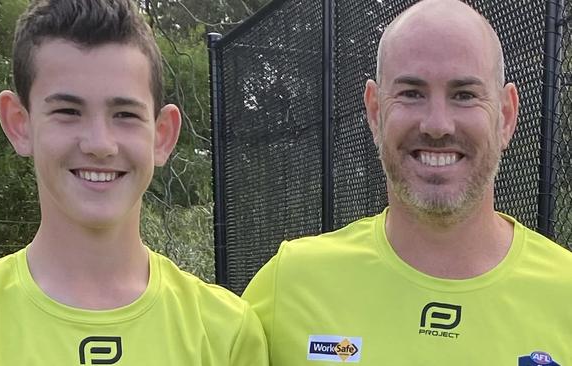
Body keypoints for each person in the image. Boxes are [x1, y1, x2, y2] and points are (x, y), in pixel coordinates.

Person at [0, 1, 268, 364]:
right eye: (68, 112)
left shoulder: (227, 333)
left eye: (125, 115)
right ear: (19, 124)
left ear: (162, 135)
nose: (100, 144)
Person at [242, 0, 572, 364]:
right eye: (411, 93)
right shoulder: (290, 285)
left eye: (464, 95)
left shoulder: (565, 293)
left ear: (506, 116)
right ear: (375, 111)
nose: (437, 124)